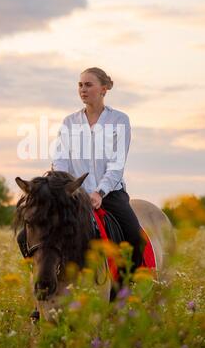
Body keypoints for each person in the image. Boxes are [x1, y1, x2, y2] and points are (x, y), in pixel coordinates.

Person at [51, 67, 144, 272]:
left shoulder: (119, 120)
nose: (83, 89)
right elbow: (60, 160)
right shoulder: (69, 122)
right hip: (74, 195)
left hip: (110, 194)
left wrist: (99, 192)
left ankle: (130, 289)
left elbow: (116, 165)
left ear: (103, 89)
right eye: (80, 85)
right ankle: (44, 291)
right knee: (40, 234)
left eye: (88, 85)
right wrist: (66, 188)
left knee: (135, 238)